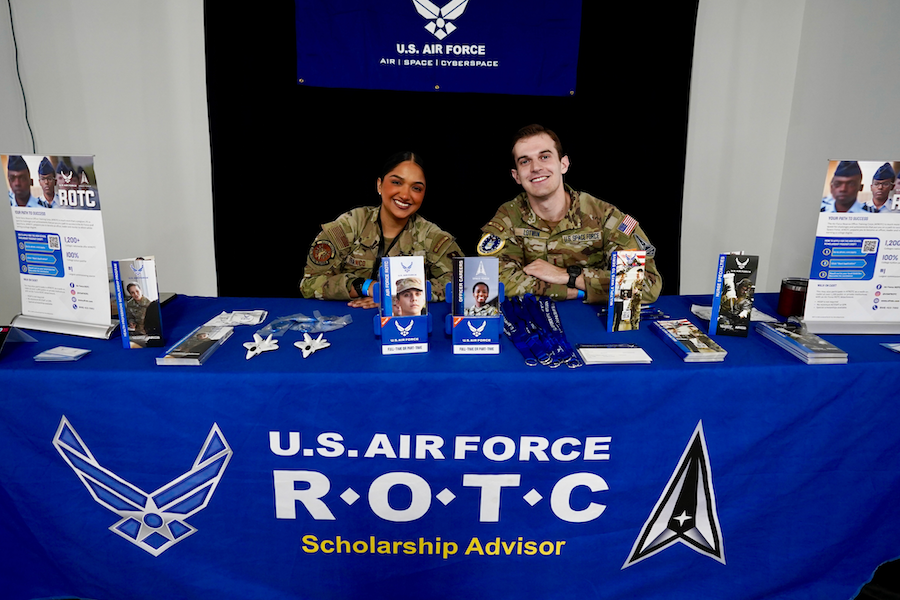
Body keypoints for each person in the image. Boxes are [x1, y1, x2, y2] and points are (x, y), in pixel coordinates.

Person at [477, 124, 662, 304]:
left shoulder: (605, 216)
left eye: (544, 157)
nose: (535, 168)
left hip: (591, 322)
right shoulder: (509, 216)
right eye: (525, 161)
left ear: (563, 164)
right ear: (516, 176)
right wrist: (569, 291)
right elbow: (489, 279)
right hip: (534, 324)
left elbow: (646, 284)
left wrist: (569, 276)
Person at [300, 151, 463, 308]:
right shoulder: (351, 225)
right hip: (345, 317)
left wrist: (398, 295)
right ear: (379, 185)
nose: (405, 195)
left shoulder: (430, 236)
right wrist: (365, 287)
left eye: (416, 188)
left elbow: (462, 283)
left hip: (401, 322)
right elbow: (310, 283)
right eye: (396, 182)